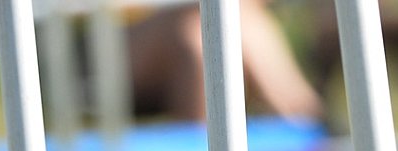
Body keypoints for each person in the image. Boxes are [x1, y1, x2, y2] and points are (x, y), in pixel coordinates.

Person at [125, 0, 323, 121]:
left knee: (212, 27)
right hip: (119, 45)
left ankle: (304, 117)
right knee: (201, 37)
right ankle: (308, 119)